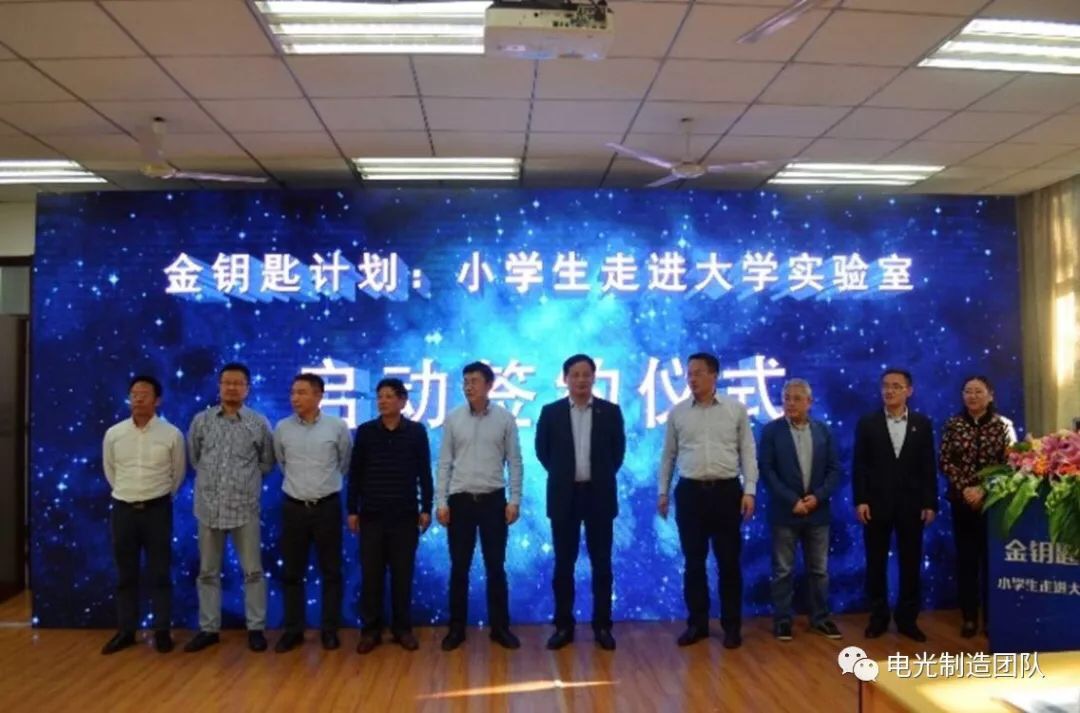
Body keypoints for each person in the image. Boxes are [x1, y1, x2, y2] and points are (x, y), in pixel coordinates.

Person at [658, 352, 757, 649]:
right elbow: (669, 455)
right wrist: (663, 491)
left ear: (714, 375)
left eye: (698, 372)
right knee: (694, 563)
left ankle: (731, 626)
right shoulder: (678, 413)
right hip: (690, 492)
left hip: (727, 492)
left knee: (728, 563)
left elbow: (747, 451)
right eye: (689, 373)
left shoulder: (735, 409)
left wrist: (750, 490)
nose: (692, 378)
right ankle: (697, 624)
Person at [535, 354, 626, 651]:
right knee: (564, 565)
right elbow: (543, 452)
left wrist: (597, 476)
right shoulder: (551, 412)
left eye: (586, 374)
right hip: (564, 496)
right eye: (575, 375)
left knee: (602, 564)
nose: (581, 380)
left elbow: (617, 453)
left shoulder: (610, 412)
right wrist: (564, 475)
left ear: (594, 378)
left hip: (599, 495)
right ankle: (564, 626)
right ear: (565, 379)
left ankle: (602, 626)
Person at [184, 363, 275, 654]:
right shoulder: (202, 421)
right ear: (219, 386)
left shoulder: (258, 423)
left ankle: (256, 629)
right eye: (227, 383)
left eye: (238, 383)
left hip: (244, 509)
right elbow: (195, 459)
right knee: (207, 573)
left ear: (247, 388)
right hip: (208, 508)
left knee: (253, 572)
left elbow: (266, 463)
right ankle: (209, 629)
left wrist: (244, 484)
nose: (232, 388)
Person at [436, 361, 524, 651]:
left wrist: (514, 500)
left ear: (489, 385)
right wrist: (441, 501)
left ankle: (500, 628)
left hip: (493, 501)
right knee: (459, 568)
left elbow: (515, 462)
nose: (468, 386)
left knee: (495, 567)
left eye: (474, 381)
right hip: (460, 501)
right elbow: (444, 463)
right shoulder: (453, 418)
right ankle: (456, 629)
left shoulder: (505, 419)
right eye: (465, 381)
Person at [100, 375, 186, 655]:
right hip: (123, 509)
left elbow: (177, 474)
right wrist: (128, 493)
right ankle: (126, 630)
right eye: (134, 393)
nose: (138, 398)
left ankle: (162, 631)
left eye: (144, 393)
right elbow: (111, 471)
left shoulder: (171, 434)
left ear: (157, 400)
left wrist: (157, 495)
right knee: (126, 574)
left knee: (160, 572)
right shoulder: (114, 433)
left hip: (157, 509)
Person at [347, 378, 434, 654]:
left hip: (405, 515)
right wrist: (352, 510)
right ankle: (370, 630)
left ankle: (402, 629)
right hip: (371, 515)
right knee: (371, 576)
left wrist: (426, 508)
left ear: (402, 401)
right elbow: (355, 473)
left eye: (388, 396)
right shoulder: (366, 432)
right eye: (379, 397)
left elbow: (425, 473)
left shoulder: (416, 432)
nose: (382, 401)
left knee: (402, 575)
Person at [853, 368, 937, 642]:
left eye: (896, 386)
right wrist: (861, 500)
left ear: (909, 391)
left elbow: (928, 467)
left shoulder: (922, 424)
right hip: (876, 504)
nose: (889, 391)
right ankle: (878, 618)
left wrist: (930, 502)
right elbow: (859, 466)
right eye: (885, 386)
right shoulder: (868, 423)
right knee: (875, 563)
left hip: (911, 506)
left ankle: (907, 619)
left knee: (911, 563)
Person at [273, 373, 353, 653]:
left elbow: (344, 463)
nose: (295, 398)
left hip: (327, 506)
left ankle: (329, 630)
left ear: (319, 395)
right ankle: (293, 630)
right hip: (293, 506)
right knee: (292, 572)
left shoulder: (337, 427)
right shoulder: (282, 428)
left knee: (331, 571)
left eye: (302, 392)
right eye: (293, 392)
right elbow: (282, 463)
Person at [759, 378, 842, 642]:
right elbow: (767, 471)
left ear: (809, 402)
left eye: (796, 399)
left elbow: (834, 470)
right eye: (786, 398)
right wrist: (791, 500)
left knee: (819, 570)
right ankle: (783, 621)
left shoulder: (823, 431)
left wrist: (817, 498)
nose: (790, 403)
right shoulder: (771, 431)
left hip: (818, 512)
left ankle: (820, 618)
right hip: (785, 513)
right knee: (783, 570)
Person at [939, 375, 1015, 638]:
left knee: (991, 561)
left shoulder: (1003, 425)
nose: (972, 396)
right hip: (962, 503)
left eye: (978, 391)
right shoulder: (953, 424)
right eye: (967, 391)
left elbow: (1011, 464)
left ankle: (992, 619)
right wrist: (966, 489)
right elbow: (945, 461)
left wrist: (984, 489)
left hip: (993, 503)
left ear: (990, 395)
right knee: (967, 561)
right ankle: (969, 617)